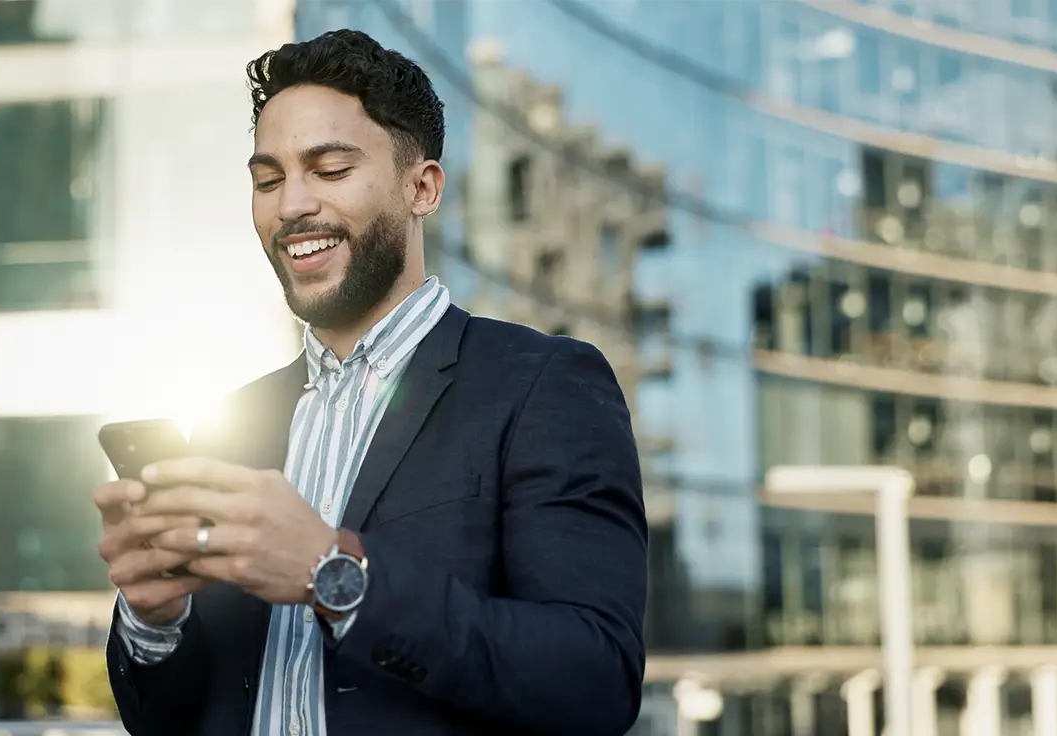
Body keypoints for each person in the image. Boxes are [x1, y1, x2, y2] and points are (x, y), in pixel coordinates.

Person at [93, 28, 648, 735]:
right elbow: (169, 717)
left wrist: (337, 573)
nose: (291, 204)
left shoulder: (543, 388)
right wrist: (154, 619)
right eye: (268, 179)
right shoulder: (234, 421)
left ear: (422, 188)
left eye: (329, 169)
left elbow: (593, 680)